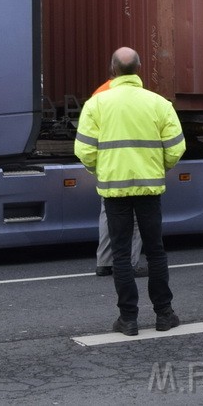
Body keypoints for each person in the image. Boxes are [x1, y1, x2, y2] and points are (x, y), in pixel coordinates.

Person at [75, 47, 186, 336]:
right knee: (155, 251)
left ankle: (128, 319)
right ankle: (164, 314)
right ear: (139, 70)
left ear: (112, 70)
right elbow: (176, 147)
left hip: (114, 191)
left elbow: (84, 150)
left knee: (122, 255)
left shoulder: (96, 104)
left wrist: (102, 169)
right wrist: (158, 165)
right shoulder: (159, 103)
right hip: (149, 188)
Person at [90, 76, 147, 278]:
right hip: (133, 166)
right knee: (135, 218)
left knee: (108, 214)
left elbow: (89, 138)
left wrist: (94, 166)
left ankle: (104, 263)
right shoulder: (139, 96)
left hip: (108, 167)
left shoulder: (99, 94)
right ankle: (130, 264)